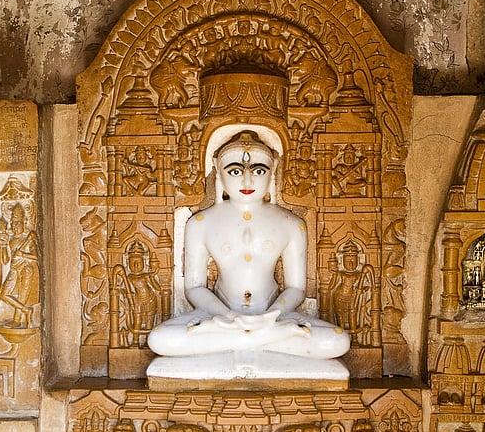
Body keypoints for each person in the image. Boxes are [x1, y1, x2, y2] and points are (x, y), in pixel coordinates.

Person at [146, 130, 349, 359]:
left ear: (272, 173)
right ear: (218, 172)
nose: (247, 181)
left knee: (338, 340)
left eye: (259, 171)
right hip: (220, 316)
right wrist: (228, 317)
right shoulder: (200, 224)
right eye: (234, 171)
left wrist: (271, 315)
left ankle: (242, 339)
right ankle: (269, 338)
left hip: (275, 315)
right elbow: (194, 288)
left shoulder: (291, 224)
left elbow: (296, 289)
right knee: (159, 338)